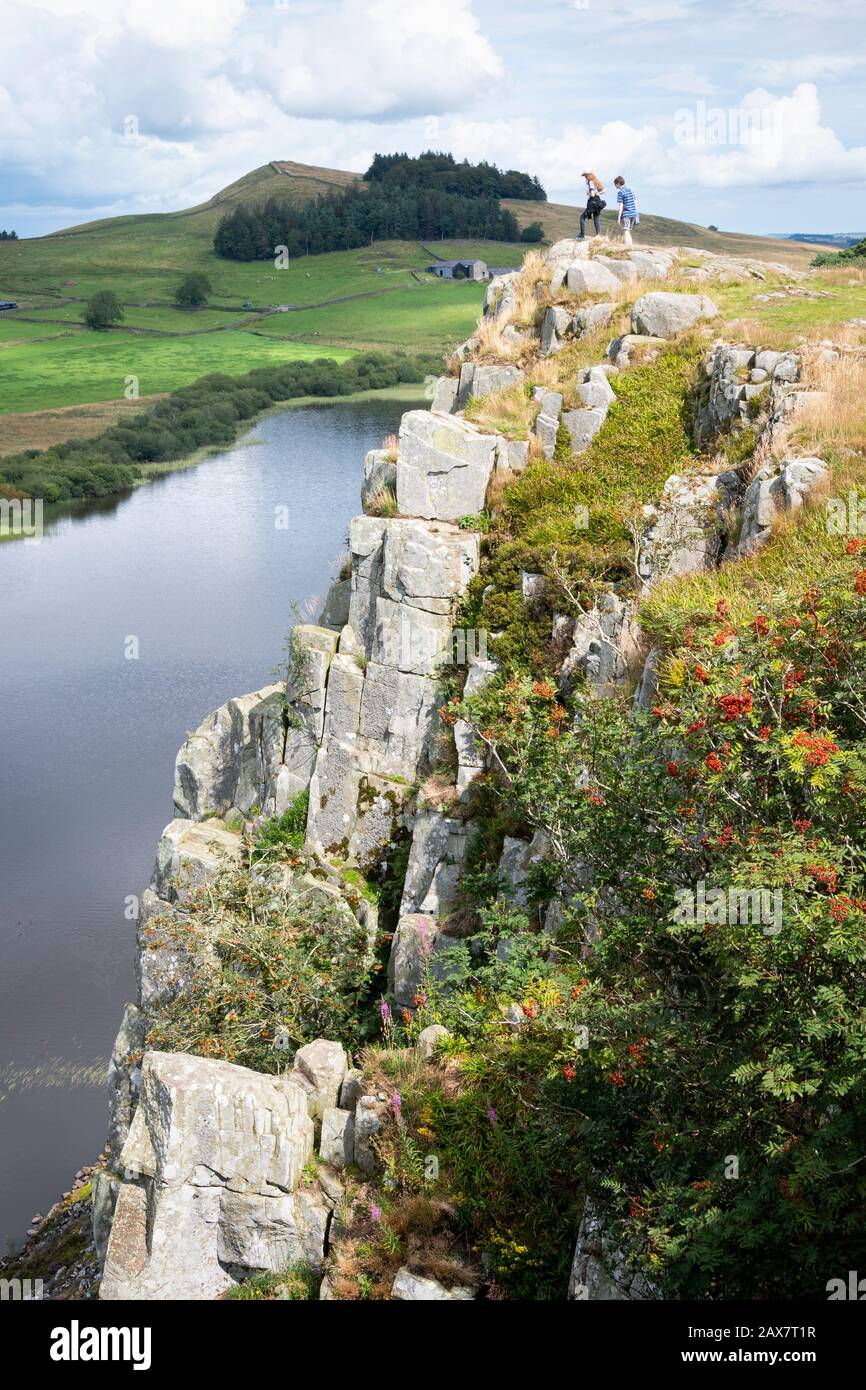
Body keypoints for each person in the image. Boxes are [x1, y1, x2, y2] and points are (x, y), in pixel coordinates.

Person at [578, 170, 605, 240]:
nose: (585, 177)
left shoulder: (590, 182)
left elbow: (592, 194)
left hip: (593, 202)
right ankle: (598, 235)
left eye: (585, 176)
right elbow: (603, 191)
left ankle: (582, 235)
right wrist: (597, 193)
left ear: (588, 175)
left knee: (582, 217)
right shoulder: (596, 181)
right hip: (598, 202)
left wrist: (589, 194)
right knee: (596, 219)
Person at [614, 176, 638, 247]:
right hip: (633, 213)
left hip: (626, 214)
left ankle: (628, 246)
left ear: (618, 183)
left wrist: (618, 218)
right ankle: (630, 245)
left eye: (615, 184)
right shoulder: (630, 190)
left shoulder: (620, 192)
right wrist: (635, 212)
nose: (615, 185)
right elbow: (635, 201)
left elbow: (621, 205)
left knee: (626, 231)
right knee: (628, 231)